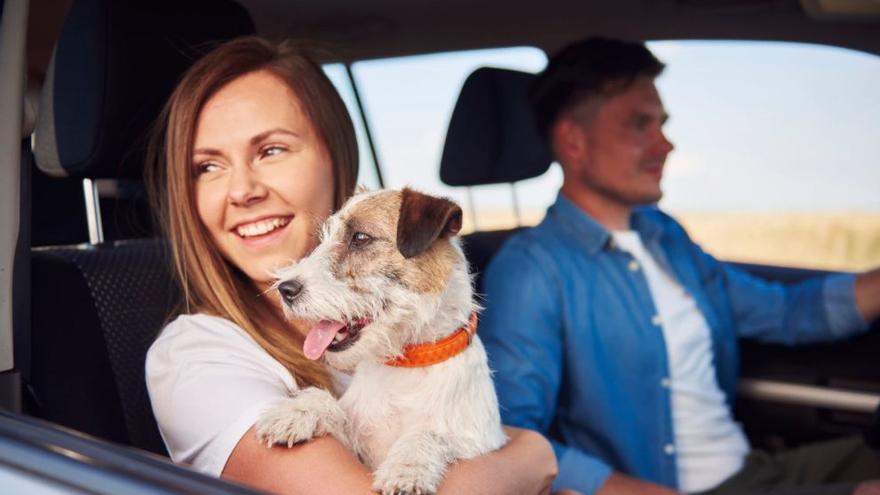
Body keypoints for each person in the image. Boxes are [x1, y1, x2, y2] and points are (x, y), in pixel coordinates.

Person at [144, 36, 557, 494]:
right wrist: (535, 456)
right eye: (207, 166)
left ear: (335, 156)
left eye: (271, 150)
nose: (242, 190)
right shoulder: (196, 357)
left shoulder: (384, 331)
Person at [479, 37, 880, 495]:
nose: (664, 144)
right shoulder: (533, 269)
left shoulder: (663, 235)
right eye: (639, 125)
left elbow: (787, 312)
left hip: (754, 471)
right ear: (574, 139)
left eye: (661, 124)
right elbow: (511, 436)